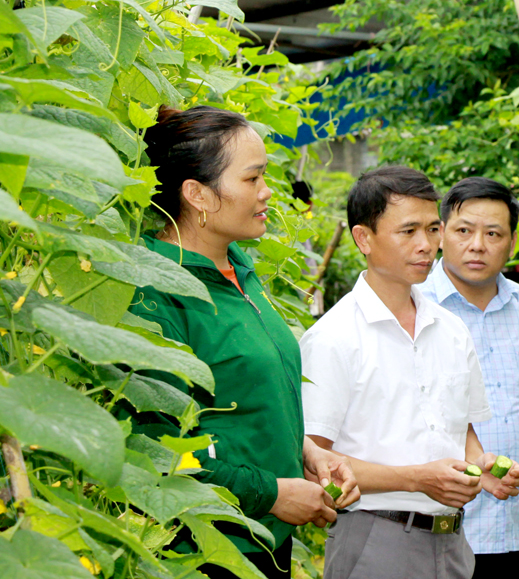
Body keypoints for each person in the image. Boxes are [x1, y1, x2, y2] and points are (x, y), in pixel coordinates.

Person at [130, 105, 359, 579]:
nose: (267, 192)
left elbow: (252, 401)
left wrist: (305, 453)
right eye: (252, 179)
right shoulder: (155, 292)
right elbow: (157, 449)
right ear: (197, 194)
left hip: (262, 543)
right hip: (203, 550)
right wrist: (271, 493)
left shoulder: (239, 271)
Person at [299, 166, 519, 579]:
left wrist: (482, 467)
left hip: (453, 544)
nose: (427, 245)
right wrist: (416, 479)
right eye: (408, 232)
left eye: (433, 229)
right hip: (374, 540)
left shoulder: (451, 329)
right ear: (363, 239)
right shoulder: (332, 338)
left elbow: (462, 430)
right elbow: (313, 462)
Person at [417, 177, 519, 579]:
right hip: (439, 526)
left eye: (493, 233)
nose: (478, 245)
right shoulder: (417, 304)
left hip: (513, 528)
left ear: (511, 243)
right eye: (463, 231)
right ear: (441, 235)